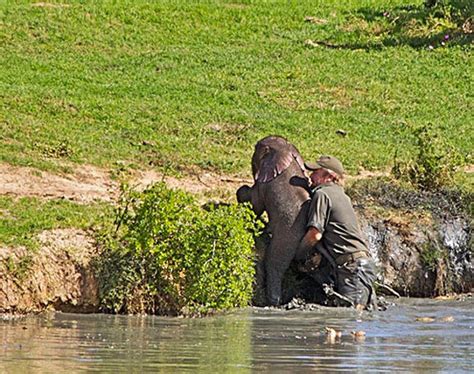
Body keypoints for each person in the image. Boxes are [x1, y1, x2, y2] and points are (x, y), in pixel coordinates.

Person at [296, 155, 377, 310]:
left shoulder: (322, 194)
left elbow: (315, 234)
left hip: (352, 269)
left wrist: (299, 255)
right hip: (363, 266)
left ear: (329, 177)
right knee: (358, 319)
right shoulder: (343, 196)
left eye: (316, 172)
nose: (310, 176)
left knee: (351, 321)